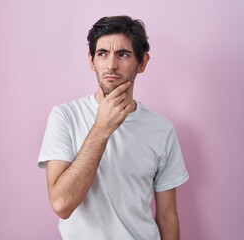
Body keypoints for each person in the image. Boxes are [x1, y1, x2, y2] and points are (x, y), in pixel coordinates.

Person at [38, 15, 189, 240]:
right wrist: (102, 127)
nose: (111, 65)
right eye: (102, 54)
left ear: (142, 63)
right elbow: (62, 204)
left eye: (123, 54)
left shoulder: (162, 129)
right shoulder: (65, 117)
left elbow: (167, 215)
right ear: (91, 61)